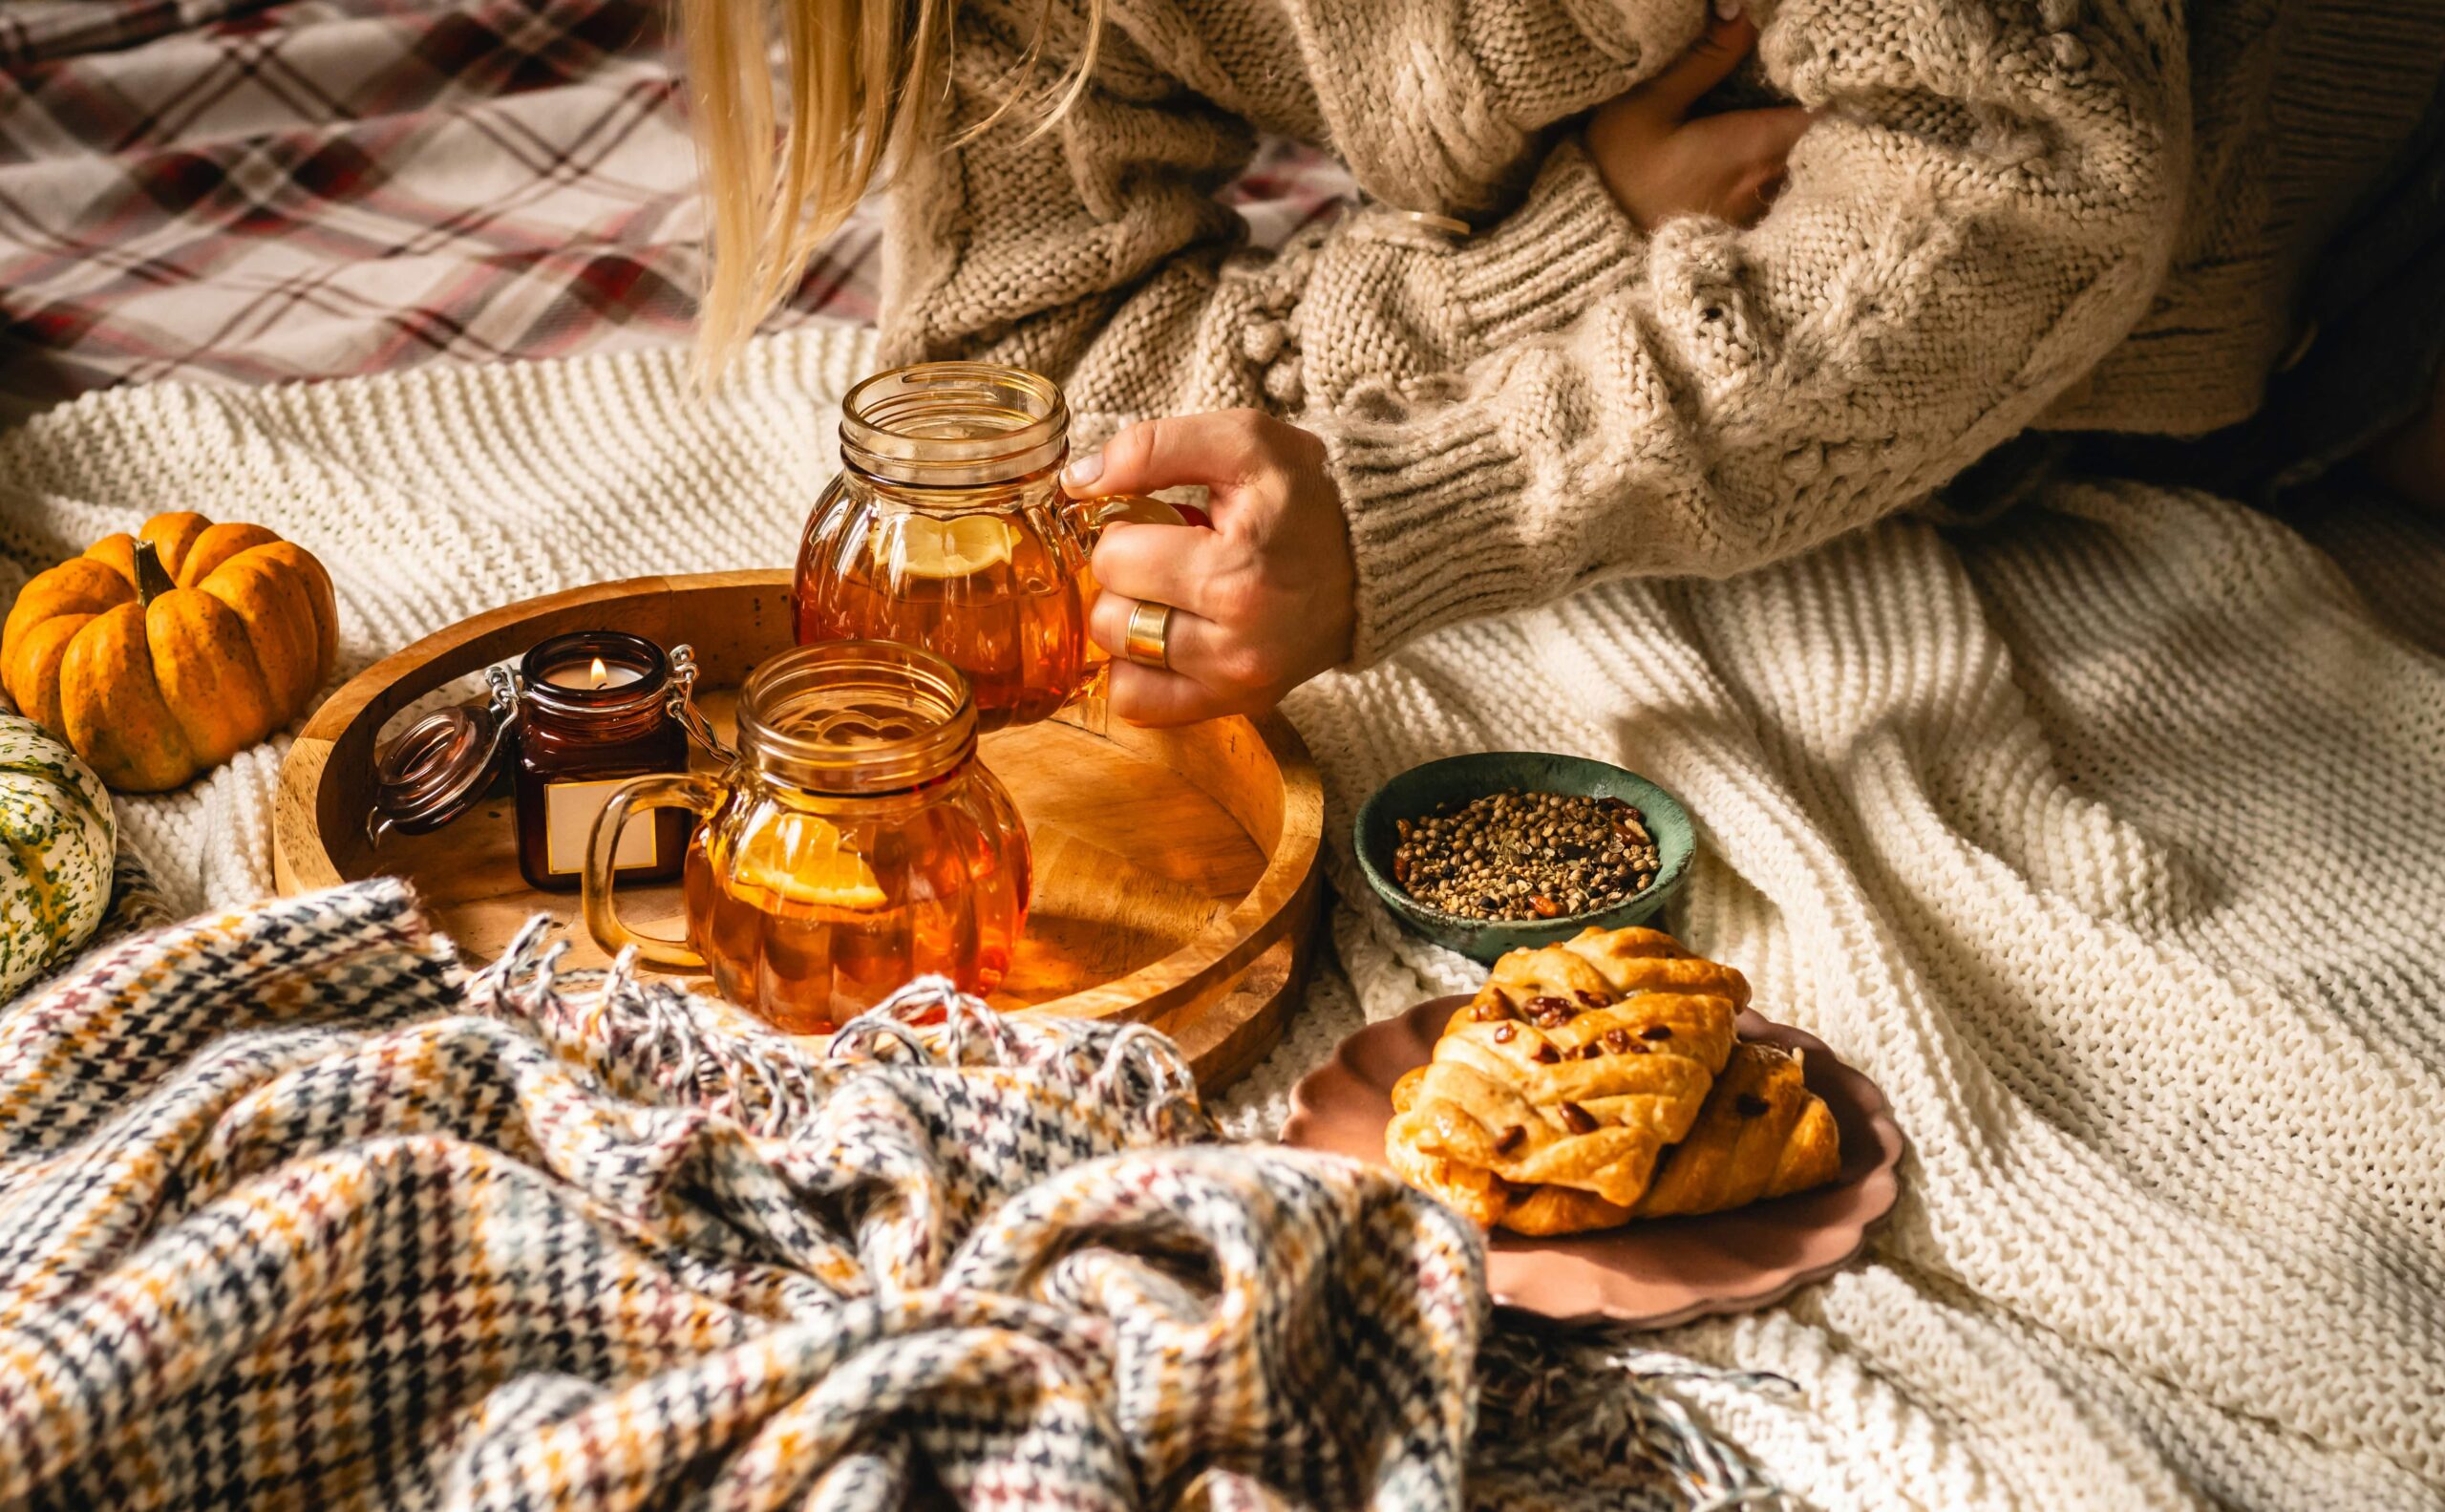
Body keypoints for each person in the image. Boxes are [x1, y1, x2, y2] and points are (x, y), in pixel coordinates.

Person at [681, 0, 2445, 725]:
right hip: (1927, 409)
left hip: (2346, 273)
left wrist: (1431, 507)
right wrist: (1575, 248)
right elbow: (1030, 390)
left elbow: (2020, 174)